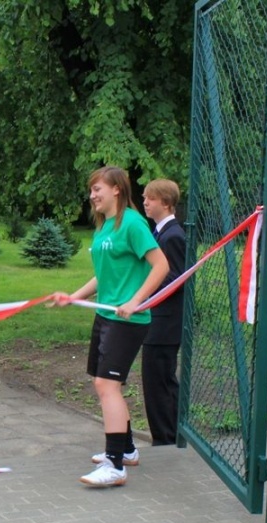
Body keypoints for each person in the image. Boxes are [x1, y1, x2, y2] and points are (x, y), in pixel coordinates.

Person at [56, 166, 169, 488]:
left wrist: (136, 301)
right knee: (104, 384)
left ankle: (115, 464)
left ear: (117, 189)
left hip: (128, 321)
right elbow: (103, 275)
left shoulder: (132, 223)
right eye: (91, 190)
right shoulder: (103, 227)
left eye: (97, 189)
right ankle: (128, 449)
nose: (92, 196)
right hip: (106, 316)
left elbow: (161, 265)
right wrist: (73, 297)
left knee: (107, 386)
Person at [140, 179, 186, 446]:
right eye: (145, 197)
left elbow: (176, 278)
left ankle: (166, 439)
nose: (145, 201)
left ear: (166, 203)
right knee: (158, 382)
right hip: (156, 321)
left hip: (164, 324)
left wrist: (143, 293)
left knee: (159, 384)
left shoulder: (173, 236)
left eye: (151, 198)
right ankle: (170, 435)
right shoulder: (159, 233)